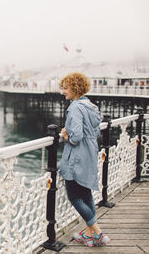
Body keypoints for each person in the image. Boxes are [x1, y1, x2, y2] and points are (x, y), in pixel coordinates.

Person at [59, 72, 111, 247]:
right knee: (86, 194)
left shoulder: (75, 107)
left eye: (65, 88)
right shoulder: (91, 106)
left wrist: (66, 135)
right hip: (90, 154)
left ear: (75, 88)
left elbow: (76, 137)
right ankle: (89, 235)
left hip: (76, 157)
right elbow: (95, 131)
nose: (63, 92)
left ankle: (98, 232)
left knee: (74, 196)